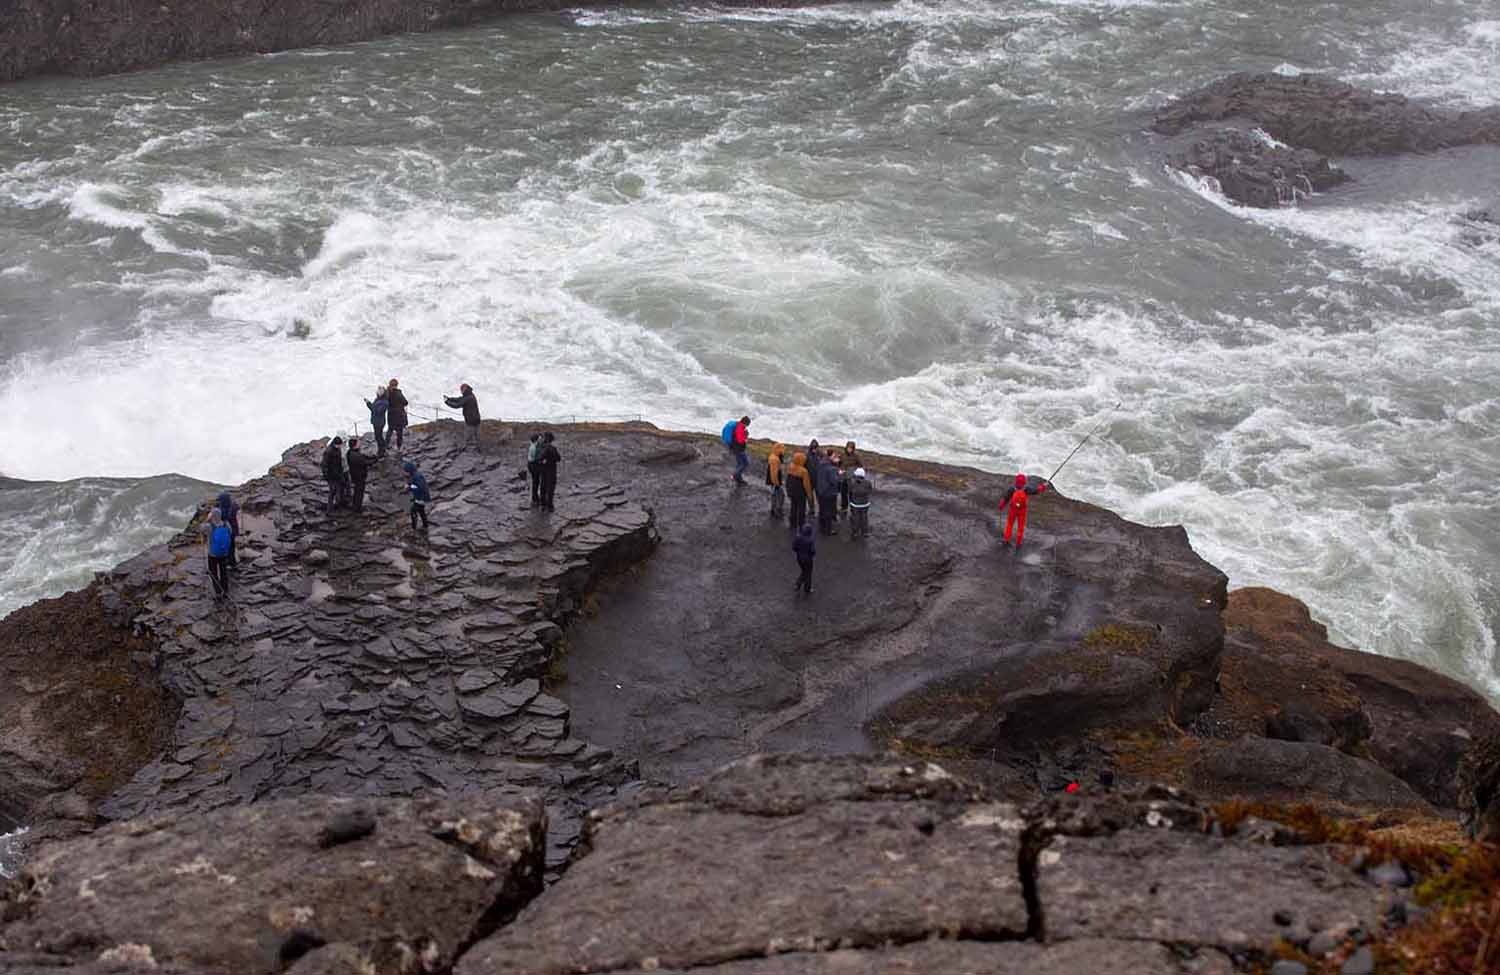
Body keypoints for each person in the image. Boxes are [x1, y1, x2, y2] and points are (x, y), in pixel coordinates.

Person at [1001, 473, 1049, 548]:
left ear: (1016, 481)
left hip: (1012, 510)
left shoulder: (1012, 489)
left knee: (1009, 525)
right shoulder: (1026, 489)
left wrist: (1001, 506)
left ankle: (1006, 540)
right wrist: (1043, 486)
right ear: (1024, 483)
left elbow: (1006, 498)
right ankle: (1018, 543)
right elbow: (1036, 491)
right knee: (1021, 527)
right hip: (1022, 511)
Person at [205, 509, 233, 600]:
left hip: (212, 554)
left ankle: (218, 592)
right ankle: (225, 591)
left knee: (213, 573)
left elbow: (200, 529)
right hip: (224, 553)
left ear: (212, 516)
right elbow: (230, 533)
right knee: (223, 572)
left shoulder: (209, 526)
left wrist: (207, 519)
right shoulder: (226, 524)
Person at [445, 383, 481, 449]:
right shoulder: (470, 395)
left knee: (469, 436)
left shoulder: (467, 398)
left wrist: (447, 402)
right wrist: (450, 398)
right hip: (477, 419)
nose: (460, 391)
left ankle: (468, 450)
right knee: (476, 436)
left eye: (461, 389)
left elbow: (457, 405)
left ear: (464, 389)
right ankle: (478, 448)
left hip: (470, 421)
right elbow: (459, 399)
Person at [786, 451, 813, 531]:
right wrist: (809, 495)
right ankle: (801, 524)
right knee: (801, 509)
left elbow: (788, 480)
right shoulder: (803, 471)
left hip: (792, 491)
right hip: (800, 493)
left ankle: (792, 523)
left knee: (793, 507)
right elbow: (807, 485)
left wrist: (788, 490)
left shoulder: (790, 467)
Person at [815, 451, 840, 536]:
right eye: (834, 456)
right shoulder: (831, 468)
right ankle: (828, 530)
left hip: (820, 491)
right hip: (828, 493)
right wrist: (838, 471)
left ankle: (821, 527)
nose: (836, 457)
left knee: (822, 510)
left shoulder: (820, 464)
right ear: (830, 457)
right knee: (828, 512)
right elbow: (835, 481)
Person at [721, 415, 751, 485]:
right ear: (745, 423)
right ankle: (735, 475)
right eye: (748, 424)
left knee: (739, 463)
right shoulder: (740, 427)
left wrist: (744, 434)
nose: (747, 426)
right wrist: (745, 436)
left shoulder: (738, 426)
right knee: (745, 463)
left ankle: (739, 478)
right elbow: (740, 440)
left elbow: (737, 437)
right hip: (738, 449)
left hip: (735, 448)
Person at [214, 491, 241, 569]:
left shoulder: (223, 509)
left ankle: (231, 563)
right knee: (231, 546)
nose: (219, 502)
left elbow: (222, 517)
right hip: (233, 530)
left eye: (220, 500)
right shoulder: (233, 506)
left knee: (228, 546)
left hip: (228, 531)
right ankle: (232, 561)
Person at [321, 436, 346, 513]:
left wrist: (341, 472)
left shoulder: (337, 450)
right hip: (331, 475)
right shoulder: (328, 452)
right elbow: (324, 464)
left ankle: (338, 505)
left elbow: (338, 463)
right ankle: (329, 510)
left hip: (338, 473)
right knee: (332, 491)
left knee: (339, 489)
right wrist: (326, 475)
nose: (340, 446)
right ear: (335, 444)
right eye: (339, 445)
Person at [538, 432, 561, 511]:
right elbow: (558, 459)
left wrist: (543, 461)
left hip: (543, 470)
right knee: (550, 488)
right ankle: (550, 506)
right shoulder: (552, 448)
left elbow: (539, 459)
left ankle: (543, 505)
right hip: (551, 471)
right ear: (551, 440)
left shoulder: (541, 447)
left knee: (543, 487)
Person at [346, 438, 371, 513]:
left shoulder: (349, 452)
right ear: (355, 446)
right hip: (359, 476)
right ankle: (357, 508)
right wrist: (375, 460)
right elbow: (365, 462)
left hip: (354, 475)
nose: (359, 444)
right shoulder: (356, 456)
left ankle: (355, 505)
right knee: (359, 492)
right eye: (358, 443)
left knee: (357, 491)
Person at [404, 460, 430, 530]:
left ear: (409, 471)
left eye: (406, 471)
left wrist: (410, 487)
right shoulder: (415, 475)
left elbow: (419, 487)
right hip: (422, 497)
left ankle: (414, 528)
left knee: (413, 511)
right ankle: (425, 525)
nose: (405, 473)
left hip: (421, 497)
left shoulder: (417, 477)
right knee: (421, 511)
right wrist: (410, 485)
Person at [365, 387, 390, 457]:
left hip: (379, 422)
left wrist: (369, 403)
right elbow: (374, 408)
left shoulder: (385, 402)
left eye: (379, 392)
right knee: (378, 436)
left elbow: (377, 411)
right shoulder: (379, 400)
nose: (377, 393)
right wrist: (369, 403)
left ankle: (382, 451)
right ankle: (382, 449)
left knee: (379, 437)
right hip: (376, 421)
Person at [848, 467, 872, 539]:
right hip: (865, 504)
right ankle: (865, 532)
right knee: (864, 517)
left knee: (856, 518)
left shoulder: (853, 483)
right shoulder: (868, 483)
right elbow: (870, 490)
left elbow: (850, 491)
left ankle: (855, 532)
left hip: (855, 504)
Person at [792, 523, 817, 595]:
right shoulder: (810, 540)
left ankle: (797, 585)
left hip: (799, 559)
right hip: (808, 560)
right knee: (808, 573)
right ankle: (807, 588)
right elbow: (813, 551)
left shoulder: (798, 538)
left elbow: (794, 547)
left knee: (804, 571)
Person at [387, 379, 409, 451]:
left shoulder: (387, 393)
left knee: (390, 430)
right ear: (396, 385)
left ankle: (386, 445)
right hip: (399, 416)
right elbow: (405, 402)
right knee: (399, 432)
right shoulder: (398, 393)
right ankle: (399, 447)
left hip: (390, 415)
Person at [839, 441, 862, 513]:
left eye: (851, 448)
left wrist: (853, 470)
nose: (849, 450)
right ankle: (844, 507)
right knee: (843, 493)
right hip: (843, 477)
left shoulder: (856, 456)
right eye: (848, 448)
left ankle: (853, 509)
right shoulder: (842, 455)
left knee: (852, 495)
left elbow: (860, 465)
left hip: (851, 478)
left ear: (853, 449)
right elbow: (839, 464)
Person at [766, 443, 786, 520]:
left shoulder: (774, 456)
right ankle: (777, 511)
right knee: (780, 496)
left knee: (775, 495)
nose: (783, 451)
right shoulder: (775, 459)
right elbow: (773, 473)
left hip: (773, 481)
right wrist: (777, 484)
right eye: (782, 449)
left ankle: (773, 510)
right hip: (775, 482)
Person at [526, 433, 543, 507]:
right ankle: (535, 498)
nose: (540, 440)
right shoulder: (534, 447)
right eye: (539, 439)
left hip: (531, 465)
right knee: (536, 481)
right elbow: (535, 458)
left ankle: (535, 497)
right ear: (536, 440)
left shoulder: (532, 446)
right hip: (534, 465)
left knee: (535, 481)